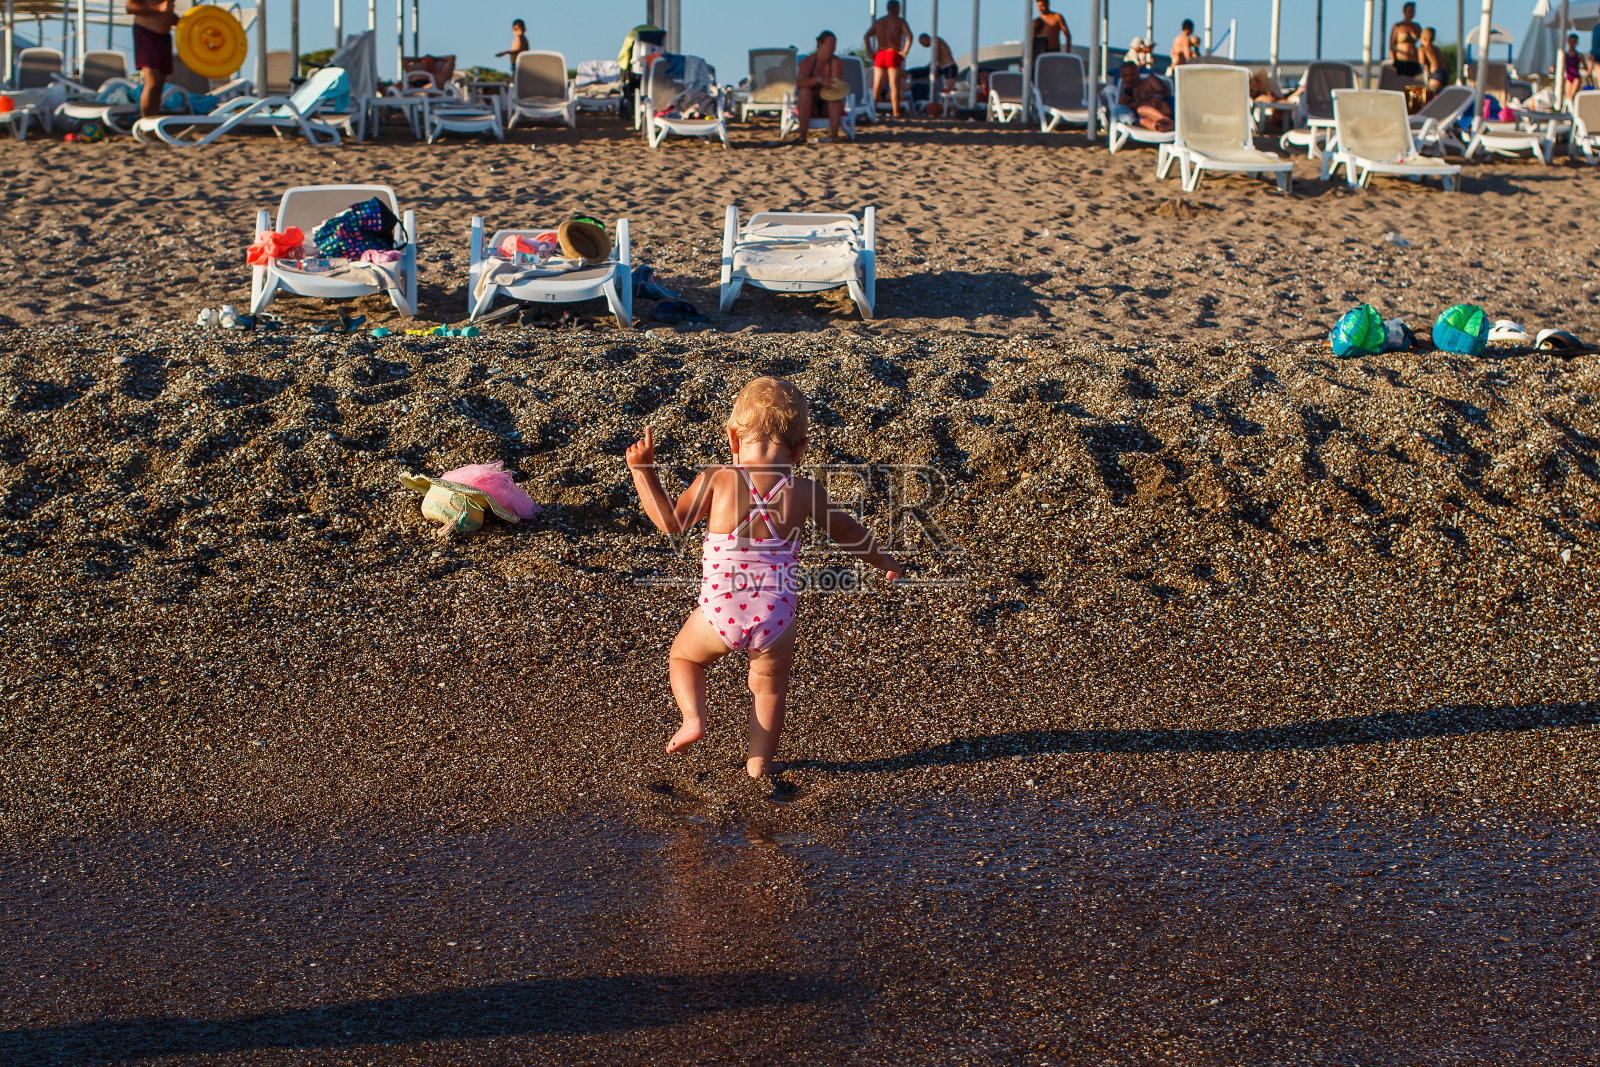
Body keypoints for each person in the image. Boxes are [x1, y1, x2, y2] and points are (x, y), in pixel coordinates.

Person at [624, 377, 902, 779]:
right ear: (801, 450)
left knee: (684, 657)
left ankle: (693, 720)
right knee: (769, 689)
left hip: (721, 608)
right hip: (776, 615)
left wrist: (643, 471)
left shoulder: (718, 478)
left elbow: (671, 523)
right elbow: (847, 533)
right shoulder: (806, 490)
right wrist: (885, 561)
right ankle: (759, 764)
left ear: (733, 441)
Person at [791, 30, 847, 144]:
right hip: (812, 107)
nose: (833, 48)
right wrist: (818, 80)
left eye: (835, 45)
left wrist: (826, 83)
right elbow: (799, 84)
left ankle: (835, 136)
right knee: (804, 92)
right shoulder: (808, 62)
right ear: (821, 44)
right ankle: (802, 135)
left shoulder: (835, 62)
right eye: (831, 44)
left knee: (835, 97)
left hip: (828, 105)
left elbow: (837, 85)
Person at [125, 0, 176, 119]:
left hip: (164, 37)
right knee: (152, 82)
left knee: (159, 84)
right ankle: (145, 124)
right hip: (146, 34)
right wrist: (158, 8)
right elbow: (130, 7)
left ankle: (152, 121)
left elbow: (167, 14)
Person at [865, 0, 912, 118]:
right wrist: (905, 52)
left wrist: (870, 51)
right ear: (897, 8)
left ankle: (873, 110)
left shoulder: (879, 22)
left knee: (877, 86)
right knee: (894, 85)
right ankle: (896, 112)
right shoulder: (899, 21)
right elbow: (909, 36)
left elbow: (866, 36)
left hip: (880, 54)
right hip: (892, 53)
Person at [1118, 61, 1171, 131]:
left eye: (1132, 74)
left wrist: (1152, 97)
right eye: (1125, 76)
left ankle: (1167, 121)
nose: (1129, 78)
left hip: (1162, 110)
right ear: (1122, 78)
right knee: (1143, 121)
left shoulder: (1150, 80)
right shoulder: (1130, 92)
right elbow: (1131, 111)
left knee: (1141, 109)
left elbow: (1166, 92)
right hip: (1149, 117)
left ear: (1138, 72)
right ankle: (1168, 127)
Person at [1389, 2, 1423, 76]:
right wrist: (1394, 62)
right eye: (1409, 10)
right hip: (1401, 60)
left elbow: (1424, 41)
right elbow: (1391, 46)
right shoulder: (1397, 26)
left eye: (1413, 11)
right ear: (1404, 12)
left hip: (1413, 60)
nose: (1411, 13)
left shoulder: (1416, 27)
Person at [1419, 26, 1446, 94]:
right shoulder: (1436, 49)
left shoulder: (1422, 49)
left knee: (1431, 95)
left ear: (1423, 38)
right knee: (1438, 94)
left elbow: (1422, 64)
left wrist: (1427, 74)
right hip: (1444, 73)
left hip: (1436, 74)